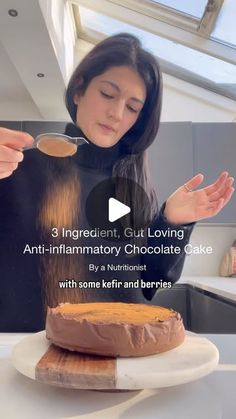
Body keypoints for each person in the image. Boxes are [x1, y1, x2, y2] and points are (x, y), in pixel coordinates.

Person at [0, 33, 234, 332]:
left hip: (117, 357)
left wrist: (172, 223)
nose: (116, 113)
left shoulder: (133, 188)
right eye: (108, 94)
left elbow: (150, 283)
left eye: (133, 108)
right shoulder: (16, 170)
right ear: (78, 91)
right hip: (31, 358)